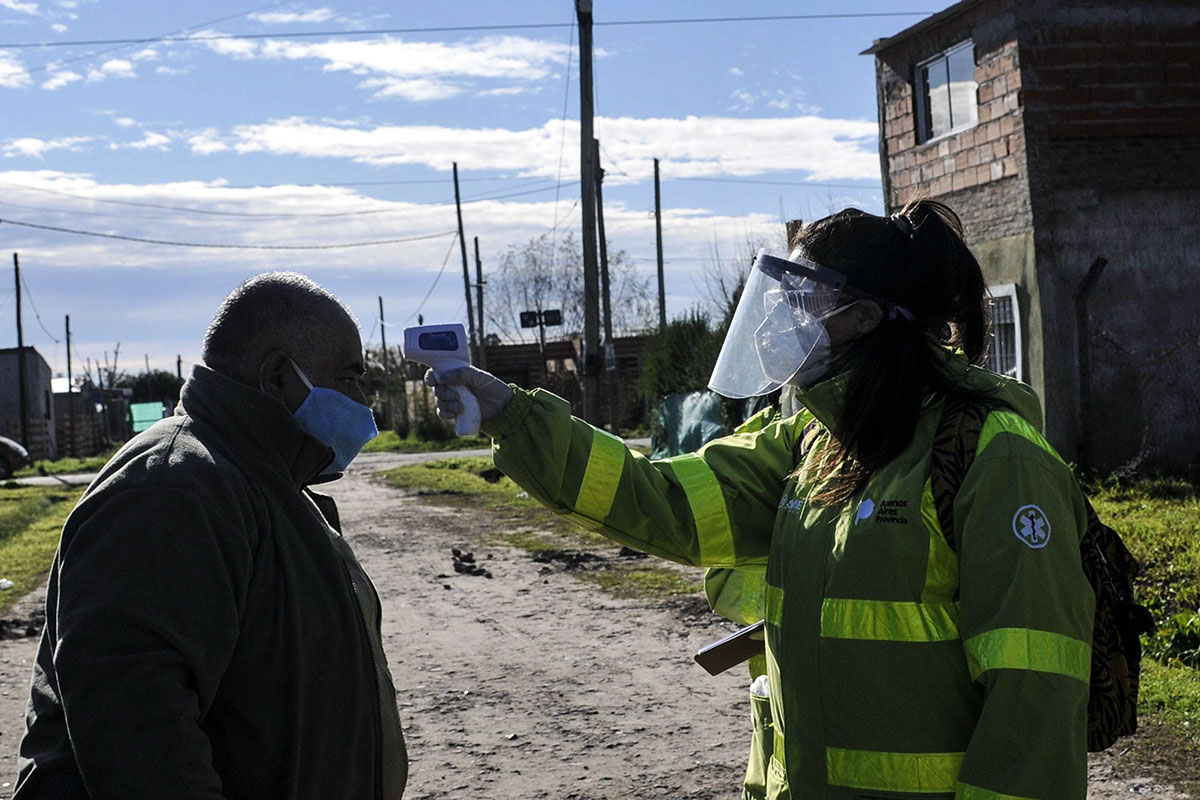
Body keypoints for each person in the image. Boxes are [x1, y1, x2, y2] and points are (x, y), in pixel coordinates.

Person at [430, 201, 1093, 800]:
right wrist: (512, 415)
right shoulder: (808, 438)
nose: (775, 319)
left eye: (799, 298)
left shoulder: (993, 455)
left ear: (862, 316)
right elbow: (656, 498)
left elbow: (1035, 699)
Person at [13, 272, 406, 799]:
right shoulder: (172, 489)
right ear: (279, 376)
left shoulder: (266, 482)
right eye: (350, 378)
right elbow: (139, 740)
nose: (361, 401)